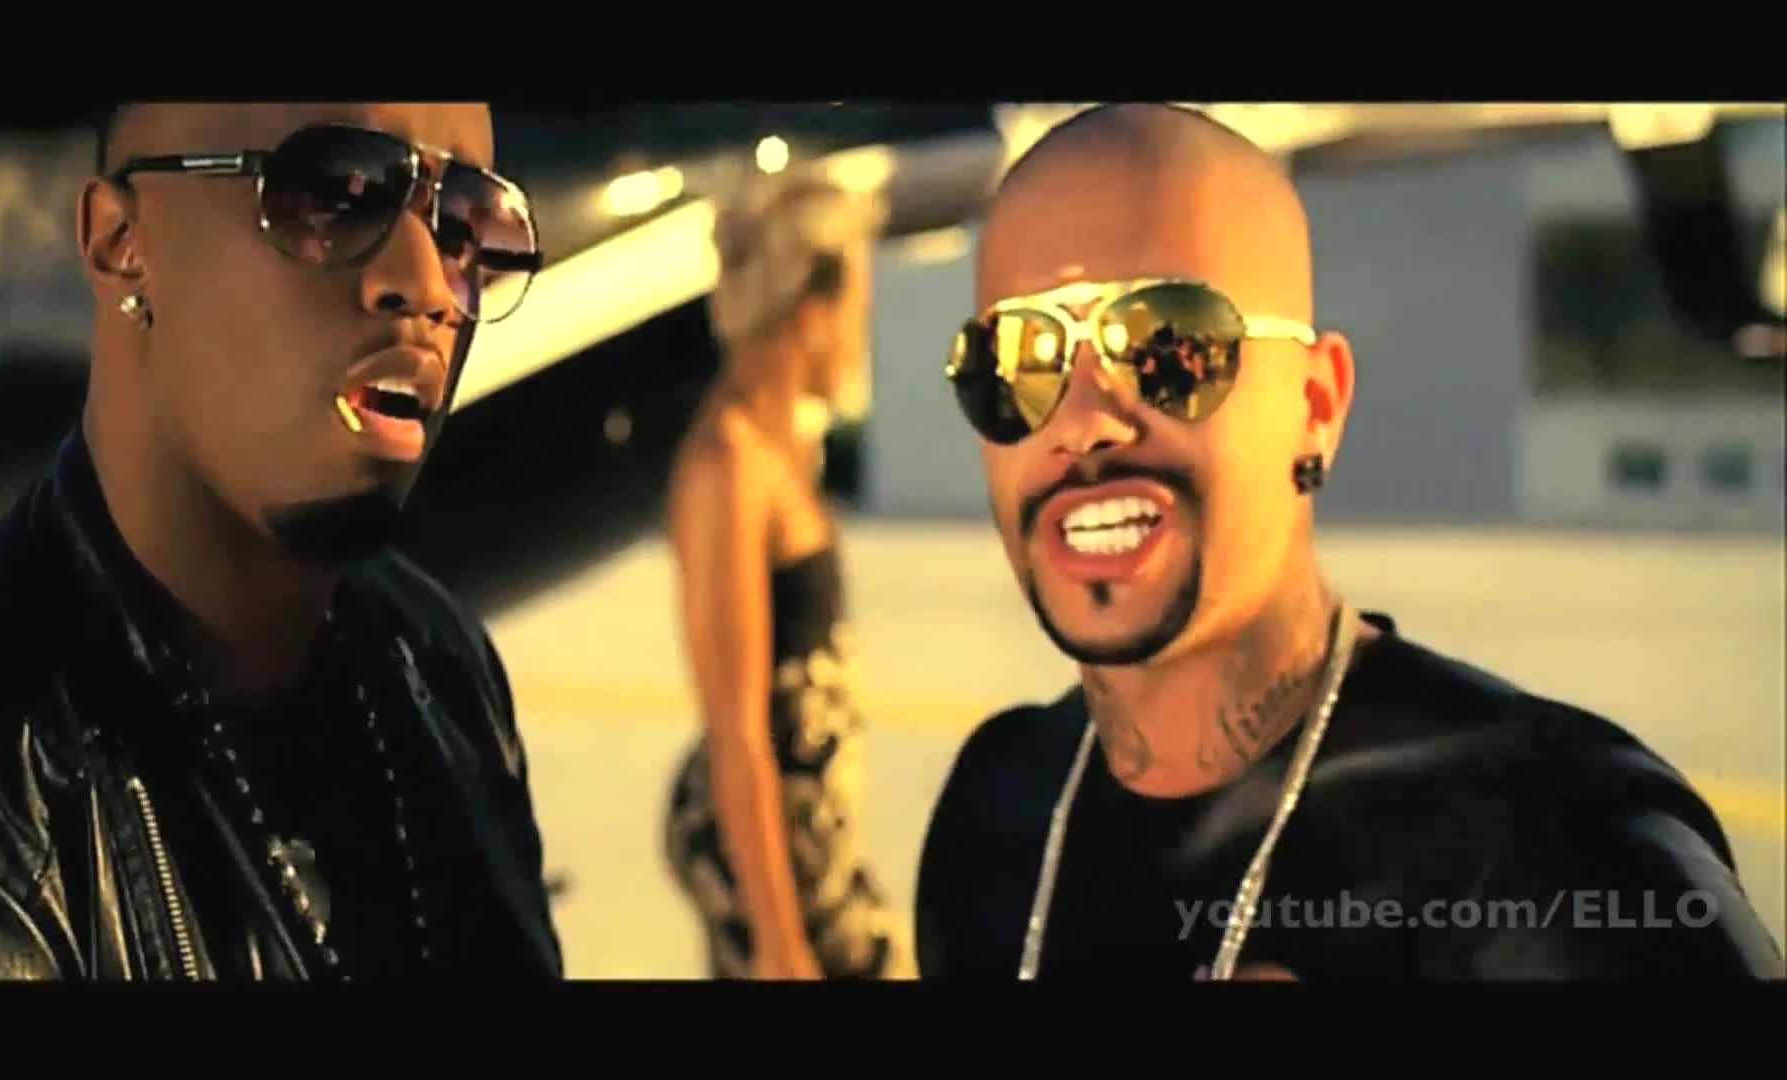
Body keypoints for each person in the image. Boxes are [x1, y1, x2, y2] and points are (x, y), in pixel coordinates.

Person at [915, 103, 1784, 980]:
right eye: (1016, 362)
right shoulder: (994, 809)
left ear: (1316, 405)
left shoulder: (1565, 846)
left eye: (1166, 344)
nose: (1081, 424)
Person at [0, 102, 563, 979]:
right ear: (122, 242)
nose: (428, 284)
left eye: (463, 223)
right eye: (338, 193)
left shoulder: (441, 668)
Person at [661, 168, 908, 980]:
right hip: (770, 866)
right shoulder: (727, 468)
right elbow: (736, 726)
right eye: (856, 311)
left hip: (813, 854)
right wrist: (778, 944)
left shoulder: (781, 446)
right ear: (810, 317)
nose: (861, 336)